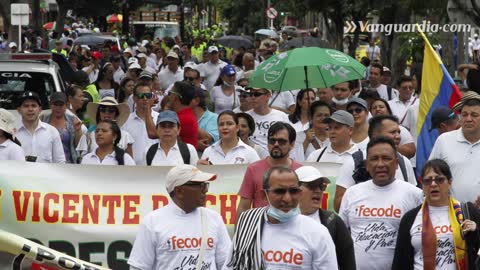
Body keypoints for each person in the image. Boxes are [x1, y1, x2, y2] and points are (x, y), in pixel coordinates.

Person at [224, 166, 338, 269]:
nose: (287, 199)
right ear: (264, 195)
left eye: (293, 191)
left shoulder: (318, 233)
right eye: (279, 191)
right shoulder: (248, 225)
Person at [339, 137, 423, 270]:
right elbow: (340, 236)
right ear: (366, 164)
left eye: (386, 158)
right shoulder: (351, 194)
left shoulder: (415, 195)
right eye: (374, 159)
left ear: (396, 163)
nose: (380, 164)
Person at [128, 165, 231, 270]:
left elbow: (227, 263)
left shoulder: (214, 218)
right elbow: (139, 267)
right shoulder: (152, 221)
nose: (205, 190)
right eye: (200, 186)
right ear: (179, 191)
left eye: (205, 185)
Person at [392, 159, 480, 270]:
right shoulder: (410, 218)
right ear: (422, 185)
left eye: (440, 179)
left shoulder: (467, 211)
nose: (433, 184)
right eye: (427, 181)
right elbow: (400, 262)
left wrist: (475, 232)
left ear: (450, 182)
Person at [334, 115, 418, 211]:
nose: (398, 136)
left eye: (399, 132)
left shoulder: (404, 162)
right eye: (392, 132)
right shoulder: (354, 161)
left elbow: (413, 200)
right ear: (375, 136)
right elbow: (338, 205)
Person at [236, 122, 303, 223]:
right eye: (272, 141)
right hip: (261, 230)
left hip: (294, 228)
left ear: (292, 144)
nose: (276, 144)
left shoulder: (301, 171)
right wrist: (240, 236)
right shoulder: (253, 169)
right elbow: (243, 207)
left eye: (281, 141)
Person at [296, 166, 356, 270]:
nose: (318, 191)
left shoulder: (333, 221)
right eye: (312, 186)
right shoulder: (279, 221)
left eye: (322, 186)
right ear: (294, 189)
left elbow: (347, 262)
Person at [430, 92, 480, 204]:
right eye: (464, 114)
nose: (468, 119)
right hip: (451, 213)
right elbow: (431, 174)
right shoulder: (444, 140)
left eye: (474, 115)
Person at [15, 91, 66, 163]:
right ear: (19, 110)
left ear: (40, 109)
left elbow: (60, 161)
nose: (30, 109)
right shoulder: (11, 133)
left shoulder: (52, 132)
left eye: (33, 105)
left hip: (46, 174)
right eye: (26, 106)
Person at [40, 92, 83, 164]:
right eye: (55, 104)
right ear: (50, 105)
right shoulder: (43, 120)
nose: (58, 108)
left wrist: (78, 130)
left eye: (61, 105)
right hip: (47, 164)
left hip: (69, 164)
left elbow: (80, 146)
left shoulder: (73, 120)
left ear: (66, 105)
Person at [123, 82, 159, 165]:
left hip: (157, 167)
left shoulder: (160, 118)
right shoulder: (125, 120)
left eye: (148, 95)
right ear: (134, 99)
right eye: (141, 96)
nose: (145, 98)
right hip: (134, 169)